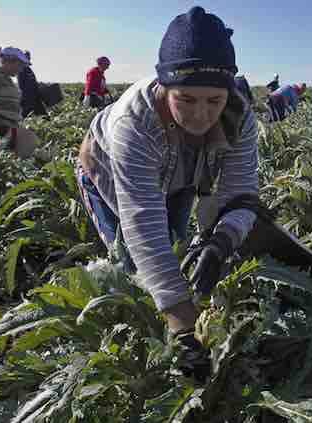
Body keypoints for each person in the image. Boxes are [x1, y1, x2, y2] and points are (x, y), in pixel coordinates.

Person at [75, 6, 260, 381]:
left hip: (182, 175)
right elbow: (144, 223)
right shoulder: (135, 121)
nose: (200, 115)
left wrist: (223, 240)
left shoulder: (241, 115)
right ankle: (143, 354)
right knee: (133, 261)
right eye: (186, 99)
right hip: (107, 173)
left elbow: (241, 193)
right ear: (165, 87)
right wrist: (186, 330)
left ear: (229, 92)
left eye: (214, 101)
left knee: (177, 246)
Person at [0, 47, 41, 157]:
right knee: (4, 155)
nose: (21, 69)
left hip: (11, 125)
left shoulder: (8, 80)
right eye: (20, 65)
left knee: (26, 147)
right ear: (9, 62)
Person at [18, 51, 48, 118]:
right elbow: (21, 86)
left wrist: (39, 86)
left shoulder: (29, 70)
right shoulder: (21, 70)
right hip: (27, 99)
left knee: (44, 115)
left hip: (35, 97)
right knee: (25, 116)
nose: (28, 58)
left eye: (28, 57)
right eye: (26, 57)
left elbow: (33, 82)